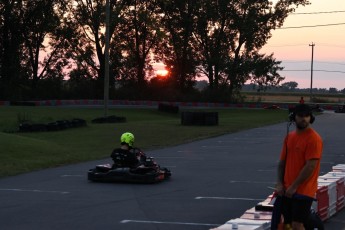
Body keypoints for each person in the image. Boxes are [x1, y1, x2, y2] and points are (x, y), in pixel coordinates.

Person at [275, 104, 323, 230]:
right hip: (287, 189)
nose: (304, 119)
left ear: (311, 118)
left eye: (307, 116)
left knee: (297, 225)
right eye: (300, 116)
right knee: (288, 224)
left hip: (303, 190)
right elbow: (282, 163)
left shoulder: (314, 138)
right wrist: (279, 183)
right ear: (293, 117)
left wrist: (294, 186)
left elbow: (310, 166)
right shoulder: (289, 137)